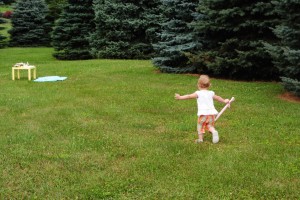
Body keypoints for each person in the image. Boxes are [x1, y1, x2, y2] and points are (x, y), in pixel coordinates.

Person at [175, 75, 230, 144]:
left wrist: (180, 97)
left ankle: (200, 139)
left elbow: (189, 96)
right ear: (209, 85)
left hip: (203, 114)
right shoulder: (211, 93)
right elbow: (218, 98)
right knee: (210, 125)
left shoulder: (198, 93)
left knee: (200, 126)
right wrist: (225, 101)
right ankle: (213, 131)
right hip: (212, 114)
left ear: (198, 85)